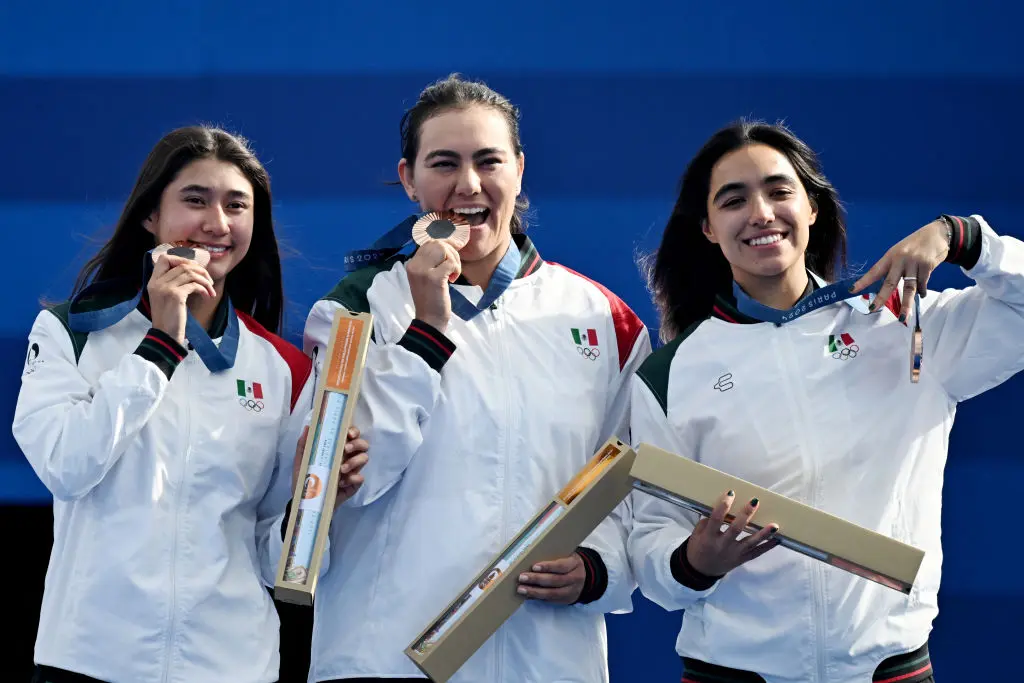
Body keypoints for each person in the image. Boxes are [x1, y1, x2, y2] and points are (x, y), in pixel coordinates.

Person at [626, 119, 1024, 683]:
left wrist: (961, 237)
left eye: (779, 190)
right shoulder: (669, 375)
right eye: (734, 200)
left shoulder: (901, 325)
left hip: (889, 669)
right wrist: (693, 562)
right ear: (709, 229)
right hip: (733, 672)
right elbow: (649, 543)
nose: (761, 213)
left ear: (813, 207)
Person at [302, 74, 651, 683]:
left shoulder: (604, 319)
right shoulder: (353, 310)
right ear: (409, 179)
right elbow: (350, 479)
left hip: (548, 660)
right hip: (385, 655)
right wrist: (427, 332)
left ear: (518, 169)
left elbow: (630, 488)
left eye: (488, 161)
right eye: (444, 163)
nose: (468, 185)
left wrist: (598, 567)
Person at [13, 125, 369, 683]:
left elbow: (277, 563)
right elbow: (66, 465)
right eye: (195, 200)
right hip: (90, 659)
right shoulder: (71, 332)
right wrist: (159, 344)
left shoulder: (283, 368)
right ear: (150, 216)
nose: (217, 224)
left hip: (231, 665)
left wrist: (318, 502)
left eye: (236, 206)